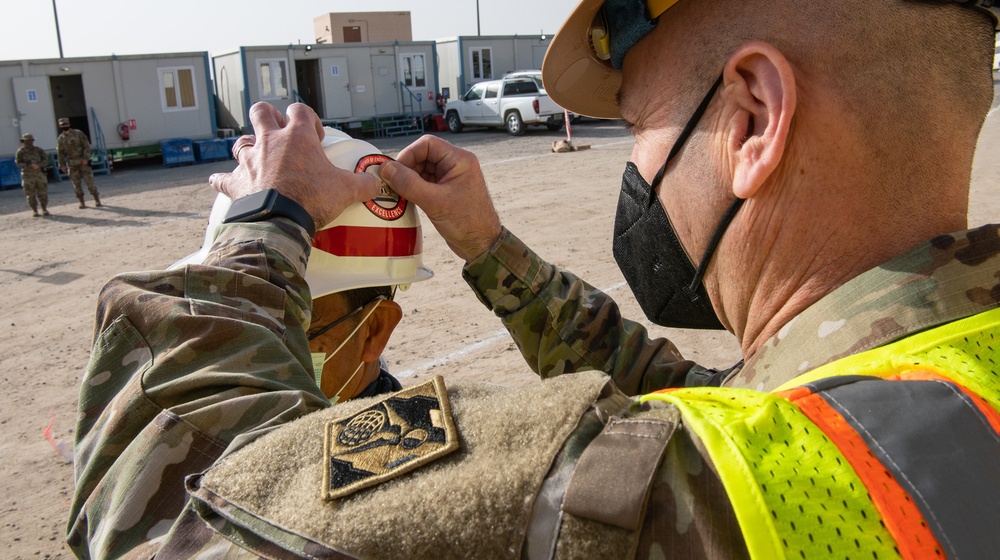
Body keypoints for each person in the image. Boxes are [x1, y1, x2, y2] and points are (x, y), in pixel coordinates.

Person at [69, 2, 1000, 559]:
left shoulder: (666, 472)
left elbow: (175, 525)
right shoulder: (926, 387)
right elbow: (708, 394)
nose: (634, 172)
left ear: (754, 116)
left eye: (640, 125)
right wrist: (489, 249)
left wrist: (257, 228)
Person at [56, 117, 101, 208]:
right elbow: (60, 153)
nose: (65, 126)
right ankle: (82, 202)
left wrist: (85, 158)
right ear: (60, 126)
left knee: (89, 182)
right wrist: (62, 165)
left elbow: (86, 146)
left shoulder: (78, 133)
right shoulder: (60, 138)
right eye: (62, 125)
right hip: (71, 164)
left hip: (82, 162)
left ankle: (97, 200)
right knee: (76, 184)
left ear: (69, 124)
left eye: (66, 124)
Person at [14, 133, 50, 217]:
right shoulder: (20, 151)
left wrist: (39, 165)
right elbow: (18, 163)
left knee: (43, 193)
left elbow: (46, 160)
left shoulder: (38, 150)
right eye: (26, 141)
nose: (29, 142)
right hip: (27, 175)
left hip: (39, 174)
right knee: (30, 194)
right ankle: (35, 211)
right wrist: (29, 166)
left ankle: (44, 209)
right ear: (23, 141)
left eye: (30, 140)